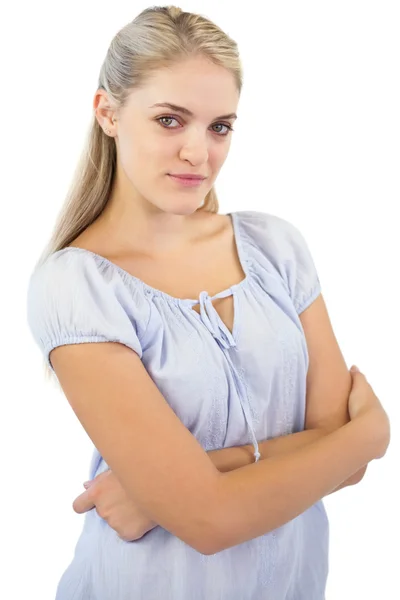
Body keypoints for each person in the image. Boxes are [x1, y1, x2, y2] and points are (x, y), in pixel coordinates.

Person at [26, 5, 390, 600]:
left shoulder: (276, 248)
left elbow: (337, 459)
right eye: (171, 120)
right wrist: (370, 436)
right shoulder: (79, 288)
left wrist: (166, 486)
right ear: (108, 113)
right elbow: (212, 521)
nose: (200, 152)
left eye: (220, 126)